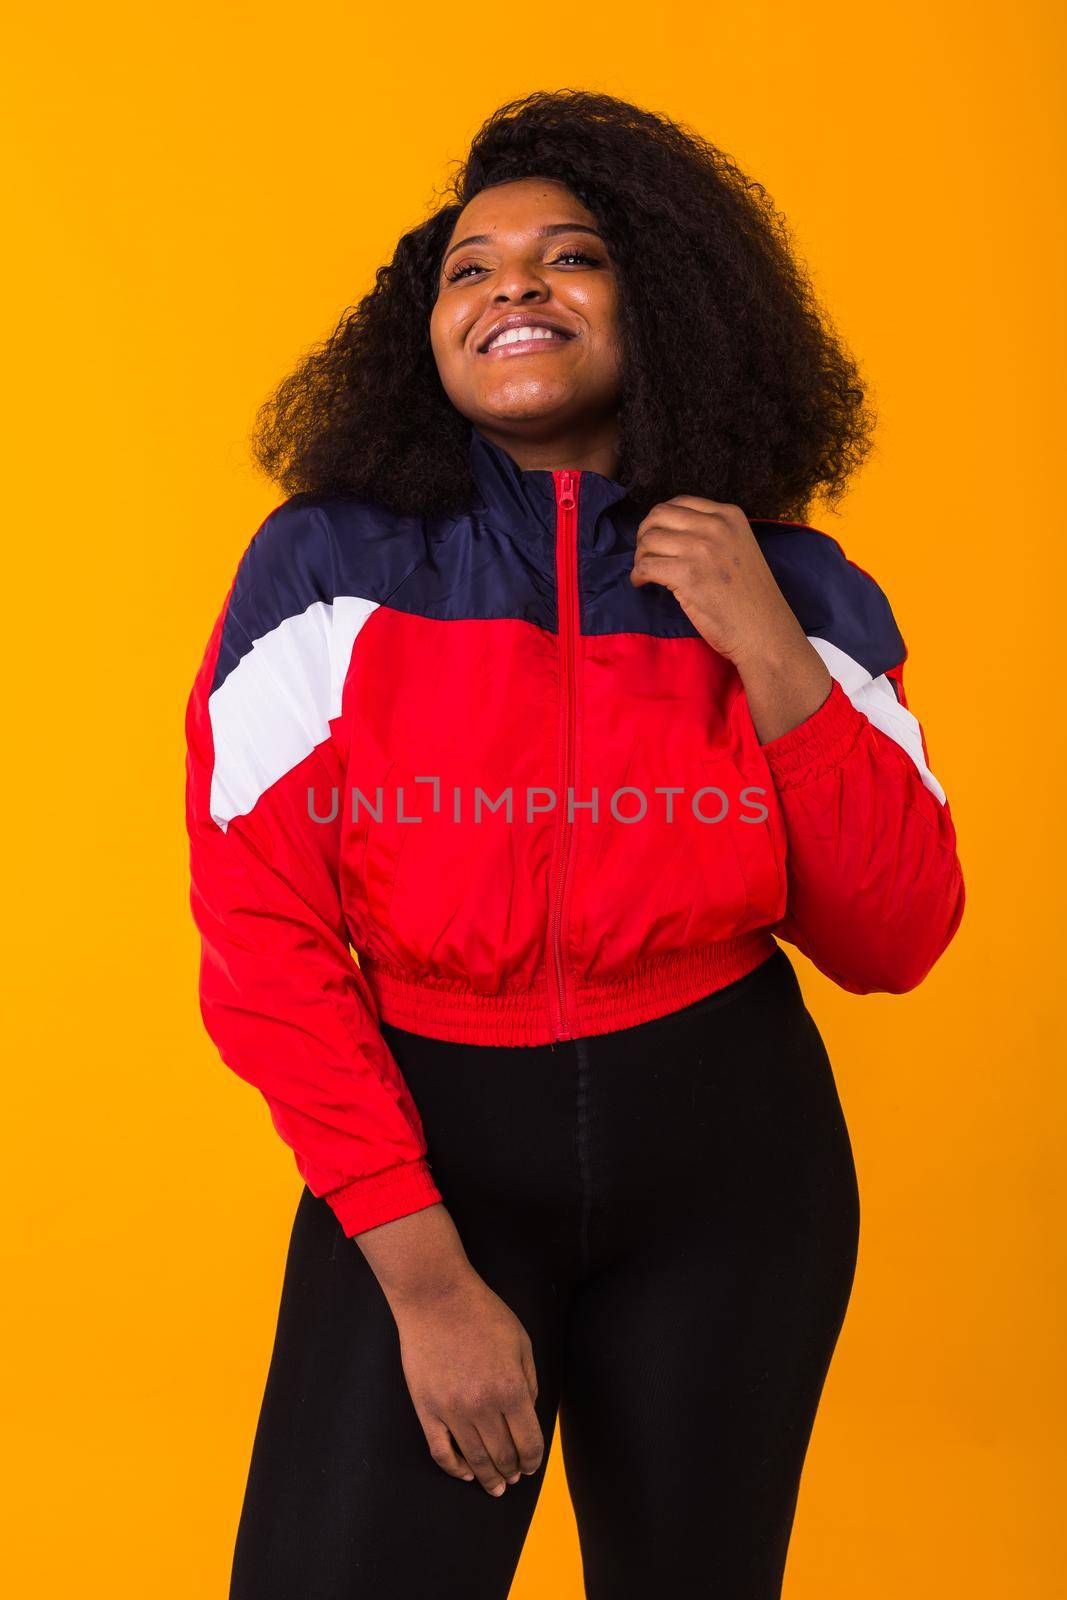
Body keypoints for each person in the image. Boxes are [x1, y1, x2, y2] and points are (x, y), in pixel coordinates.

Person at [184, 89, 965, 1600]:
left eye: (571, 256)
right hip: (434, 1156)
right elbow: (262, 941)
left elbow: (897, 933)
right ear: (425, 330)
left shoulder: (788, 582)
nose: (515, 288)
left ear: (657, 304)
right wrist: (424, 1282)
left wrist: (775, 654)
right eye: (471, 269)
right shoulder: (327, 572)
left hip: (732, 1168)